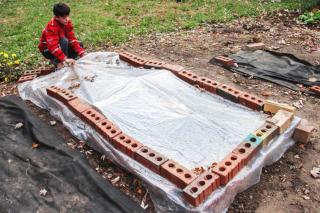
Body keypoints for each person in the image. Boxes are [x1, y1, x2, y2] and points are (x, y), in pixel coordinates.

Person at [38, 2, 85, 68]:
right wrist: (64, 59)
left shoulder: (67, 22)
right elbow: (52, 47)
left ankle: (68, 61)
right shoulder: (52, 27)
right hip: (47, 50)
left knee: (79, 45)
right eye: (64, 18)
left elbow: (72, 38)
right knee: (64, 41)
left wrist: (82, 53)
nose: (67, 19)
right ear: (56, 17)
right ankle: (59, 63)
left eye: (68, 16)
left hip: (59, 45)